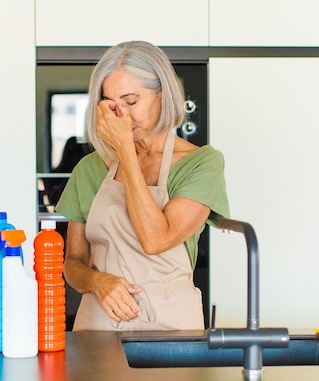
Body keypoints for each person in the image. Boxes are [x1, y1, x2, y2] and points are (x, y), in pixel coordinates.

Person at [55, 41, 229, 331]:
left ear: (162, 95)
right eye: (111, 105)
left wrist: (125, 151)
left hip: (173, 324)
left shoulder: (202, 163)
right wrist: (97, 281)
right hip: (100, 320)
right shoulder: (89, 169)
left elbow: (156, 240)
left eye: (131, 102)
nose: (120, 116)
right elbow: (73, 262)